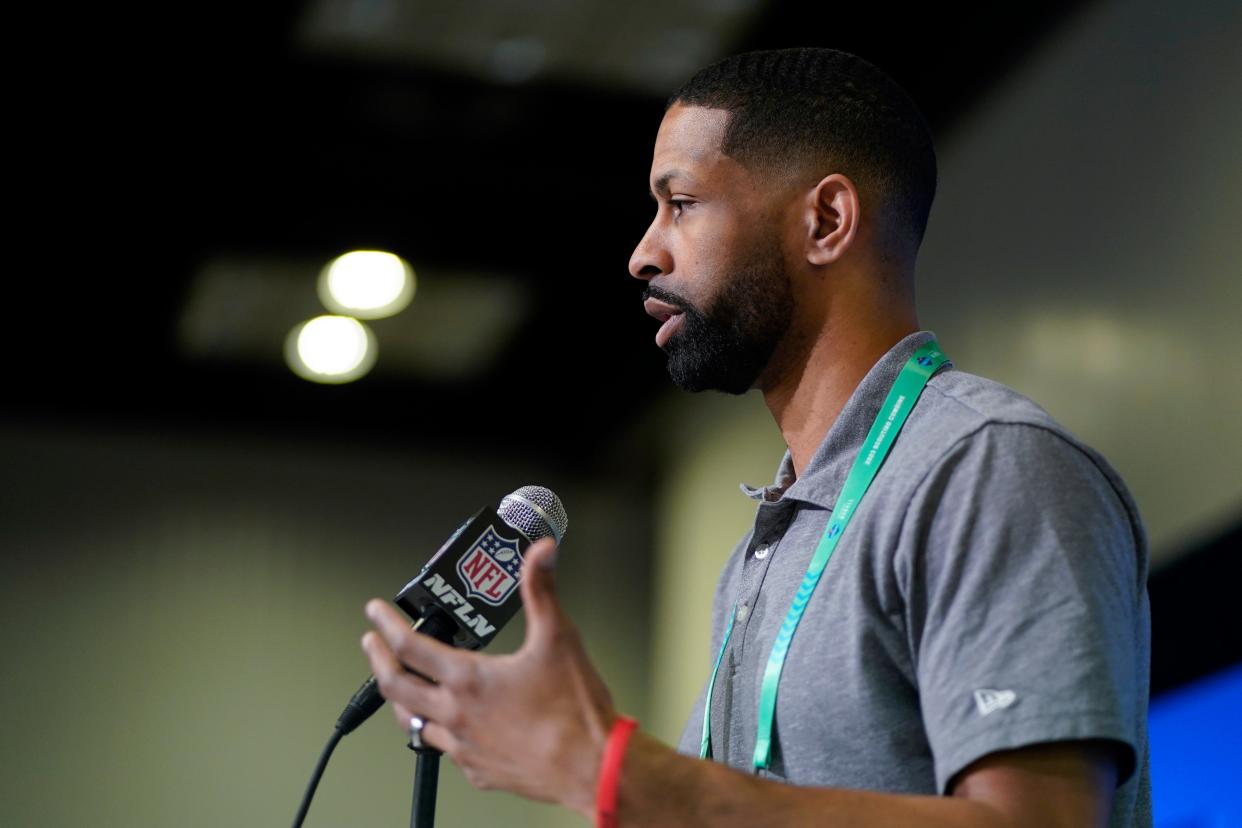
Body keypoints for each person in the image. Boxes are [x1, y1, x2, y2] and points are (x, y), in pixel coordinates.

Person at [361, 47, 1151, 827]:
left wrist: (612, 770)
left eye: (681, 203)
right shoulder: (768, 547)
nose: (644, 253)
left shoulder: (988, 465)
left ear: (826, 221)